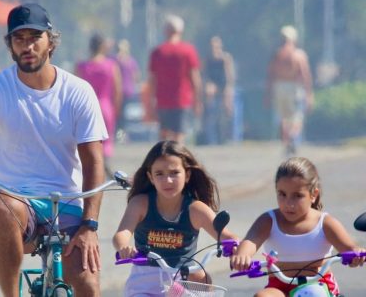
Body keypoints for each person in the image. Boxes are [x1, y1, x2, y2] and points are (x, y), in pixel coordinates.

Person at [0, 3, 108, 297]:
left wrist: (90, 226)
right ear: (10, 46)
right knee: (1, 204)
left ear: (50, 42)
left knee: (89, 288)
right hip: (17, 205)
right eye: (19, 39)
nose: (27, 46)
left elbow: (94, 162)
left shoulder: (78, 91)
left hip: (67, 205)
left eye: (35, 37)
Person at [113, 140, 239, 295]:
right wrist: (124, 247)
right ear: (150, 177)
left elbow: (227, 236)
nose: (168, 180)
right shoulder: (140, 203)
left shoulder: (196, 209)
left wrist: (235, 249)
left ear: (187, 175)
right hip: (144, 283)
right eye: (159, 174)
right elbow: (121, 234)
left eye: (174, 173)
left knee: (203, 279)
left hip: (181, 281)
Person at [231, 157, 365, 297]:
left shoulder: (325, 222)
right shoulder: (268, 220)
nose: (289, 203)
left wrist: (356, 255)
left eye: (297, 196)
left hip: (318, 285)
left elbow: (349, 248)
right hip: (279, 287)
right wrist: (242, 255)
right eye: (282, 194)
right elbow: (251, 240)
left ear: (313, 195)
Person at [148, 14, 203, 143]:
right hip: (182, 100)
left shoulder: (157, 52)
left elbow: (152, 81)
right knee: (179, 138)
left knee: (163, 138)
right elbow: (195, 78)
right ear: (181, 31)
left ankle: (163, 162)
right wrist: (197, 101)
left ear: (165, 31)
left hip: (162, 101)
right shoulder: (188, 50)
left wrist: (150, 102)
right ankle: (177, 162)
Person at [76, 33, 122, 179]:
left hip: (86, 107)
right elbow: (117, 90)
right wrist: (116, 108)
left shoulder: (82, 66)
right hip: (105, 105)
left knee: (87, 139)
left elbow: (74, 89)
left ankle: (92, 169)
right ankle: (103, 167)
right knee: (106, 140)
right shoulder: (111, 66)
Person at [265, 25, 314, 156]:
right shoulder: (299, 55)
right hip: (294, 87)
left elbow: (270, 75)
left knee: (283, 118)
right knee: (297, 116)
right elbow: (305, 75)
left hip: (279, 87)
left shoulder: (276, 55)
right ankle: (292, 136)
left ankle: (287, 143)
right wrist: (309, 94)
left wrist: (267, 94)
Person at [201, 35, 235, 145]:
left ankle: (227, 136)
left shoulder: (225, 58)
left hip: (223, 85)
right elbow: (205, 75)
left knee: (226, 109)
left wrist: (227, 91)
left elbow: (229, 76)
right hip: (212, 86)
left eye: (216, 46)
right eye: (211, 46)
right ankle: (210, 136)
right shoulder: (207, 59)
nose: (213, 48)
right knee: (209, 97)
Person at [113, 39, 141, 142]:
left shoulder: (114, 60)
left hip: (118, 92)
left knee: (119, 115)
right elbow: (136, 76)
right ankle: (121, 135)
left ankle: (119, 134)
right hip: (128, 91)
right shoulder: (131, 61)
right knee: (122, 115)